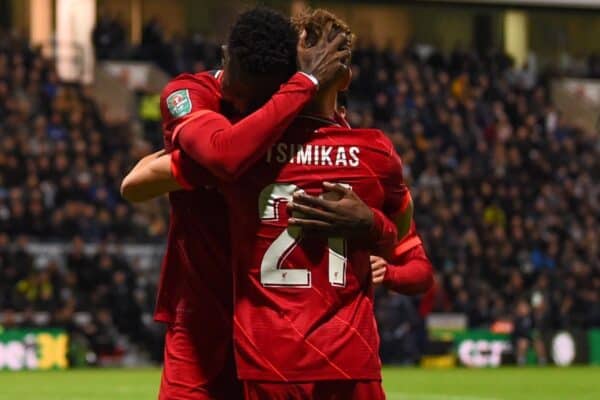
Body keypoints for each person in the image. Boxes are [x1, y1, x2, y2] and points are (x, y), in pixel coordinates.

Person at [128, 9, 413, 399]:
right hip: (203, 313)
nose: (237, 100)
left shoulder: (301, 128)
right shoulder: (192, 93)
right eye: (235, 85)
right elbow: (148, 179)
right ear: (225, 56)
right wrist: (305, 85)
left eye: (252, 98)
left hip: (277, 324)